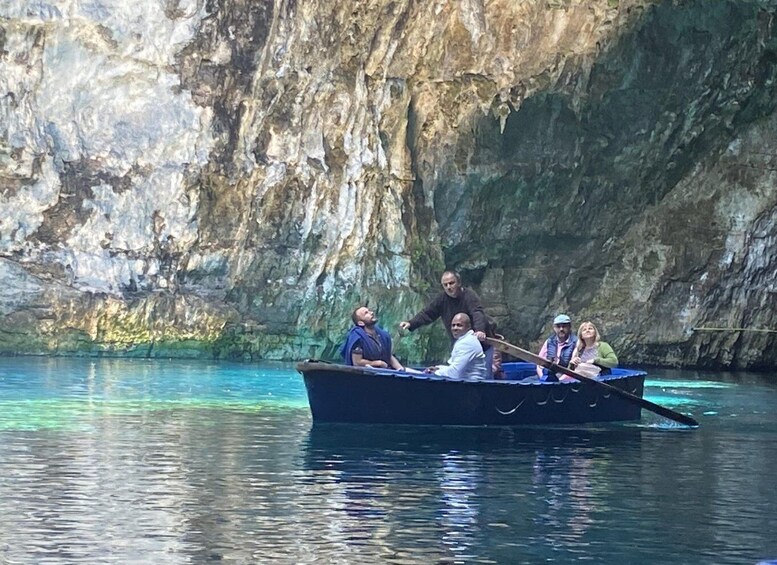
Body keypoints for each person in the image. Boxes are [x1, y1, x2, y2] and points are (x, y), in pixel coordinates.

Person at [399, 270, 488, 341]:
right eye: (445, 285)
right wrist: (411, 323)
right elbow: (427, 313)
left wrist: (479, 330)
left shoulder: (469, 296)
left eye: (451, 283)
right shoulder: (441, 299)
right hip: (457, 342)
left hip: (478, 341)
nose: (448, 287)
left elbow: (477, 313)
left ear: (459, 283)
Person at [425, 313, 488, 381]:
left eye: (459, 325)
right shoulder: (464, 339)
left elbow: (454, 373)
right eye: (453, 325)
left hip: (472, 386)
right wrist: (438, 368)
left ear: (468, 327)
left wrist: (436, 372)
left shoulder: (467, 343)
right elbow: (454, 368)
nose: (455, 328)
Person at [341, 306, 404, 370]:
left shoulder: (382, 335)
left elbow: (388, 356)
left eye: (369, 311)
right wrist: (376, 363)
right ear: (361, 323)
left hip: (384, 372)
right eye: (366, 313)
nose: (371, 313)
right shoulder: (357, 337)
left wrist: (400, 368)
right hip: (364, 374)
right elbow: (357, 362)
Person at [536, 313, 578, 381]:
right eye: (558, 326)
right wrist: (542, 378)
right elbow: (539, 364)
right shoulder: (549, 341)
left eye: (564, 326)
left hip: (567, 378)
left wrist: (560, 381)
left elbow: (575, 368)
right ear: (554, 328)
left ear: (569, 327)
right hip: (548, 376)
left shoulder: (576, 342)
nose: (561, 329)